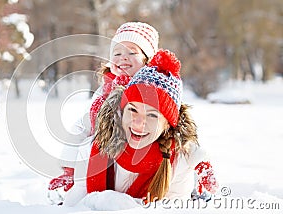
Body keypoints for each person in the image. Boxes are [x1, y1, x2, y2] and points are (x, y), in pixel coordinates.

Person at [62, 49, 218, 206]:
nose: (138, 122)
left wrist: (122, 205)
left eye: (152, 115)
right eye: (133, 110)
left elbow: (173, 208)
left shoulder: (179, 162)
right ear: (122, 110)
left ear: (168, 125)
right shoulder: (93, 149)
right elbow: (75, 205)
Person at [48, 22, 160, 192]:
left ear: (147, 60)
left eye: (132, 52)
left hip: (141, 155)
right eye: (117, 53)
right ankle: (74, 179)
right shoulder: (106, 88)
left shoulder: (155, 88)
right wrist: (70, 169)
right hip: (105, 157)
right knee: (81, 131)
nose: (123, 57)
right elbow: (87, 123)